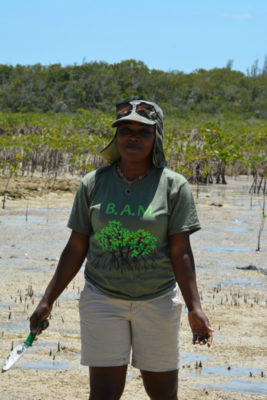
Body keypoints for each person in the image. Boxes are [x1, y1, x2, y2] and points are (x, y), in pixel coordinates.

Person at [30, 100, 213, 400]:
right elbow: (76, 246)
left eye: (143, 131)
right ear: (116, 137)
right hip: (102, 299)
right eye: (125, 130)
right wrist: (47, 300)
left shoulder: (173, 187)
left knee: (163, 394)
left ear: (157, 136)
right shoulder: (94, 183)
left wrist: (195, 307)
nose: (133, 137)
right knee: (103, 394)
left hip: (157, 301)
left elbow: (181, 252)